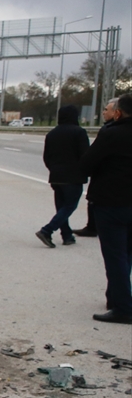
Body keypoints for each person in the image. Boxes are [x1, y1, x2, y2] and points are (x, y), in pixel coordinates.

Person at [78, 93, 132, 324]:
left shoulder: (112, 134)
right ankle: (117, 297)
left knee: (115, 255)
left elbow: (87, 164)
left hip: (112, 202)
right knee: (126, 253)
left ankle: (123, 307)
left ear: (118, 113)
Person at [35, 105, 90, 247]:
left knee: (61, 208)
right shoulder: (79, 132)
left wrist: (53, 168)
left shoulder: (52, 134)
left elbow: (46, 156)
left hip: (56, 175)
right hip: (73, 176)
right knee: (69, 206)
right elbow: (85, 155)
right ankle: (47, 230)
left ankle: (67, 235)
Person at [75, 98, 120, 237]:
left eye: (107, 110)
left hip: (108, 182)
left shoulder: (109, 131)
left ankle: (93, 227)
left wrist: (87, 169)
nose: (103, 112)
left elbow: (92, 157)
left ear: (116, 112)